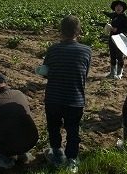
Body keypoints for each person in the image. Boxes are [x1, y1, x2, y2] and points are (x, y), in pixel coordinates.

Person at [42, 15, 92, 173]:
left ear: (61, 31)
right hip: (75, 99)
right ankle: (72, 160)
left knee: (53, 127)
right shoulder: (86, 50)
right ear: (79, 31)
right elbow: (85, 73)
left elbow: (45, 72)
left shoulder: (53, 49)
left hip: (53, 98)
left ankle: (57, 153)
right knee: (73, 130)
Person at [0, 72, 39, 170]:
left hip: (11, 146)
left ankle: (5, 160)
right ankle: (23, 154)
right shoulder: (19, 93)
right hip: (32, 140)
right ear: (4, 83)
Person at [101, 0, 127, 79]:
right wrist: (103, 12)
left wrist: (117, 30)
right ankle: (112, 73)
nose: (118, 8)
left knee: (120, 56)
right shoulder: (114, 15)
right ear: (114, 8)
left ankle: (119, 73)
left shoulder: (125, 18)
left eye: (120, 6)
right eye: (117, 6)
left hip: (120, 39)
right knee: (112, 54)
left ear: (123, 8)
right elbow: (109, 14)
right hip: (112, 38)